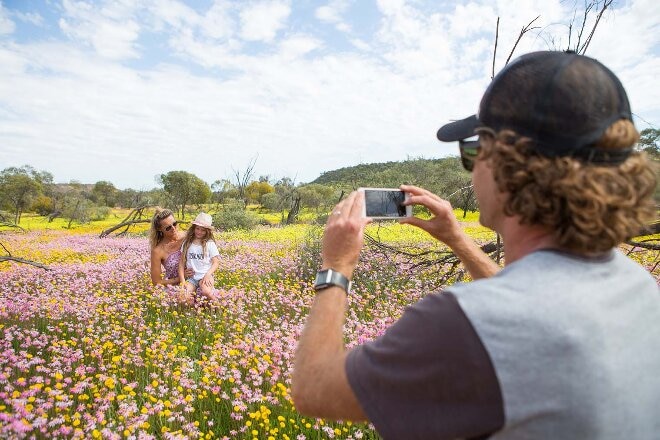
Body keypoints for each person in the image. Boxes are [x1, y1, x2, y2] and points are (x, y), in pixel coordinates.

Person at [292, 51, 659, 439]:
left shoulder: (462, 323)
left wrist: (337, 264)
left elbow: (313, 388)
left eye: (472, 149)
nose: (471, 165)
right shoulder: (636, 286)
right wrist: (458, 240)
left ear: (503, 161)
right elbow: (527, 309)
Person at [149, 208, 194, 303]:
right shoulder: (157, 251)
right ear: (159, 229)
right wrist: (180, 278)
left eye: (174, 224)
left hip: (195, 279)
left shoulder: (188, 237)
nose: (173, 228)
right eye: (168, 228)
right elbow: (156, 282)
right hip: (174, 287)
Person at [178, 212, 221, 304]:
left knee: (206, 291)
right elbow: (181, 263)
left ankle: (219, 305)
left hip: (205, 276)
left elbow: (216, 262)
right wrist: (182, 281)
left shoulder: (210, 244)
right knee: (183, 295)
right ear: (194, 228)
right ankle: (194, 312)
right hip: (192, 278)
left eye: (203, 230)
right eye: (197, 228)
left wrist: (208, 275)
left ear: (207, 232)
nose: (199, 232)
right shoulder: (187, 243)